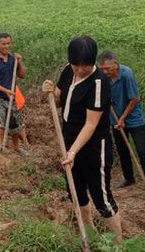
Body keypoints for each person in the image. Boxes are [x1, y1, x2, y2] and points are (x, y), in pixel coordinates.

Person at [42, 35, 123, 237]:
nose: (79, 70)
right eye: (75, 65)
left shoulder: (99, 83)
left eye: (84, 66)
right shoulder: (69, 71)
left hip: (94, 145)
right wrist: (51, 92)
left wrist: (73, 152)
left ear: (93, 61)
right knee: (75, 190)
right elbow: (61, 101)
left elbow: (91, 124)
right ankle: (89, 232)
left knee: (100, 196)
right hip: (69, 140)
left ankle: (119, 248)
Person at [99, 50, 145, 201]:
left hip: (134, 119)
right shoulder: (103, 78)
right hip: (115, 119)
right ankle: (129, 177)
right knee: (122, 149)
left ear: (116, 63)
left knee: (143, 152)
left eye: (108, 68)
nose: (106, 71)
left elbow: (135, 99)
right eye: (103, 69)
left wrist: (123, 118)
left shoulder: (126, 75)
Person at [0, 32, 30, 156]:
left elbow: (22, 75)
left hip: (11, 96)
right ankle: (1, 147)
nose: (7, 46)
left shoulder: (12, 60)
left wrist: (20, 62)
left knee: (15, 123)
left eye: (9, 43)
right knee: (0, 119)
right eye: (4, 44)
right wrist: (5, 91)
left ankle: (17, 147)